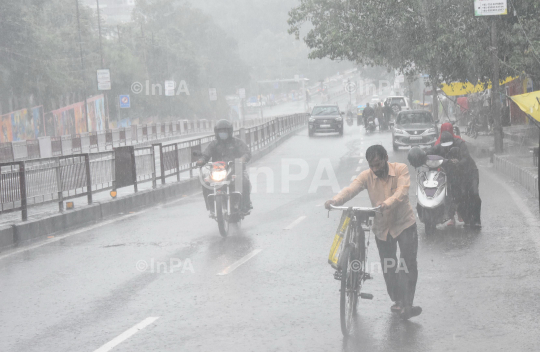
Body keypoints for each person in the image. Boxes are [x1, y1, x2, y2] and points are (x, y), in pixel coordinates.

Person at [325, 145, 421, 320]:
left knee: (408, 263)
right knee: (389, 266)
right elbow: (351, 189)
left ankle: (408, 304)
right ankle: (398, 301)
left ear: (385, 158)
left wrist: (387, 203)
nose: (375, 169)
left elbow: (402, 191)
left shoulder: (401, 170)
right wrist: (335, 200)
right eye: (372, 166)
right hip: (382, 227)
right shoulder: (367, 176)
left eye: (378, 164)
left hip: (404, 224)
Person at [196, 119, 253, 213]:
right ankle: (211, 207)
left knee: (244, 181)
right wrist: (201, 160)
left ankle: (246, 204)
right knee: (205, 182)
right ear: (216, 132)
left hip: (235, 170)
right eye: (220, 131)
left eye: (225, 131)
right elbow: (206, 154)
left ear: (230, 131)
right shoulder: (214, 144)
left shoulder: (237, 143)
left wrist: (242, 159)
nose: (222, 133)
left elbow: (247, 153)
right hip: (218, 171)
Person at [426, 131, 481, 227]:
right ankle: (466, 219)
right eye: (444, 145)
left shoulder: (460, 144)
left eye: (449, 145)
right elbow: (429, 153)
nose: (447, 147)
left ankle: (476, 220)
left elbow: (466, 158)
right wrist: (424, 156)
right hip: (456, 175)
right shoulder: (439, 147)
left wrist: (458, 163)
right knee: (459, 196)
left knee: (474, 194)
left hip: (469, 173)